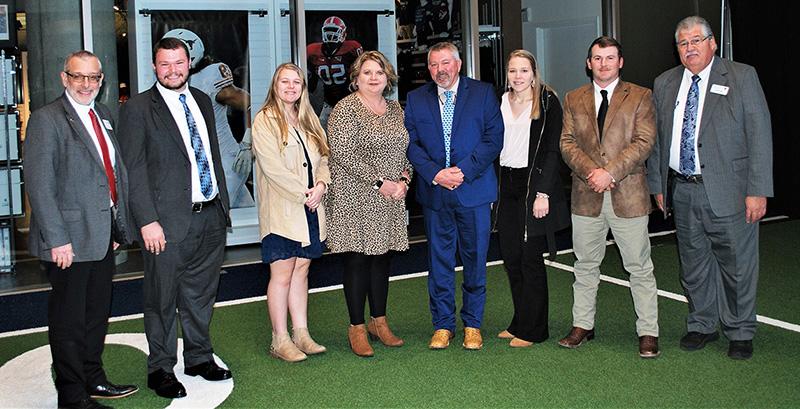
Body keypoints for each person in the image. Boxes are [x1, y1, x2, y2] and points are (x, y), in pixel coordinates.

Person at [647, 16, 773, 360]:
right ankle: (702, 324)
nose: (690, 49)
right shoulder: (665, 83)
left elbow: (760, 134)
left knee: (737, 265)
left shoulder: (741, 76)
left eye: (696, 41)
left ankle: (740, 330)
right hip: (682, 189)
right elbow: (658, 138)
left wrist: (758, 189)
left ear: (712, 43)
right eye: (683, 44)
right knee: (694, 264)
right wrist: (658, 185)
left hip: (731, 191)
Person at [117, 37, 232, 399]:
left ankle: (198, 357)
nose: (172, 70)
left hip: (209, 216)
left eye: (178, 63)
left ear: (189, 64)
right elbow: (132, 170)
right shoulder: (137, 108)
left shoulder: (199, 99)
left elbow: (209, 154)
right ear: (154, 66)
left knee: (200, 295)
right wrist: (146, 221)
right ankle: (161, 368)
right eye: (164, 64)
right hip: (164, 225)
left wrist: (221, 205)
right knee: (162, 299)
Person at [24, 50, 138, 409]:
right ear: (64, 78)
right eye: (79, 77)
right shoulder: (47, 120)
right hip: (68, 242)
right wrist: (57, 239)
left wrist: (118, 225)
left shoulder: (102, 114)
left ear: (101, 81)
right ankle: (72, 396)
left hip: (101, 235)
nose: (86, 84)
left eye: (93, 78)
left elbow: (112, 173)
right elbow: (40, 186)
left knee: (95, 316)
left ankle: (94, 379)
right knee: (69, 321)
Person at [559, 36, 660, 358]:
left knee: (639, 267)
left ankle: (648, 331)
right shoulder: (573, 98)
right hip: (586, 197)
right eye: (597, 58)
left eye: (610, 58)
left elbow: (644, 142)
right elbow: (567, 143)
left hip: (627, 195)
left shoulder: (641, 96)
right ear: (589, 63)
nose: (603, 64)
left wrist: (610, 173)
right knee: (585, 265)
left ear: (621, 61)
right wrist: (593, 172)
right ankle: (582, 326)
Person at [405, 41, 504, 350]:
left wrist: (463, 171)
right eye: (434, 65)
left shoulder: (484, 93)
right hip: (436, 195)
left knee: (475, 261)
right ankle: (443, 325)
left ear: (458, 65)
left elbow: (493, 138)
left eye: (446, 63)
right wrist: (436, 174)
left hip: (472, 192)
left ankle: (472, 324)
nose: (440, 70)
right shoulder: (415, 98)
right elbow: (411, 144)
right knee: (439, 263)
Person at [326, 51, 412, 357]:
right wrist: (381, 182)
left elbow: (404, 150)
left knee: (382, 260)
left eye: (379, 72)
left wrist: (404, 180)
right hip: (356, 196)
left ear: (388, 78)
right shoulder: (344, 109)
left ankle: (380, 322)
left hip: (389, 198)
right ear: (356, 78)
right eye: (367, 73)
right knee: (358, 260)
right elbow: (343, 154)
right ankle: (357, 327)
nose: (373, 77)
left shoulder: (395, 109)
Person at [251, 63, 330, 363]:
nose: (290, 87)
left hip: (309, 208)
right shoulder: (264, 121)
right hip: (284, 211)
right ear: (275, 85)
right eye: (284, 81)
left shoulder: (308, 119)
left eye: (296, 82)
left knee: (302, 270)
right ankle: (279, 339)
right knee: (282, 273)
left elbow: (324, 156)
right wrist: (304, 193)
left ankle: (302, 333)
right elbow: (272, 168)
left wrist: (321, 185)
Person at [494, 49, 569, 348]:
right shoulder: (501, 100)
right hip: (506, 183)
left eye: (524, 70)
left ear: (534, 73)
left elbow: (553, 150)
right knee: (511, 256)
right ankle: (519, 321)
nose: (518, 76)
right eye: (513, 70)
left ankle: (535, 329)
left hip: (532, 184)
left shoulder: (548, 102)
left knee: (530, 258)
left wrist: (543, 192)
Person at [163, 28, 256, 209]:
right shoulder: (175, 83)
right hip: (205, 163)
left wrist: (248, 142)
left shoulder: (210, 76)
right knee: (245, 212)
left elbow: (253, 103)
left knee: (215, 211)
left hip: (226, 162)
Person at [306, 15, 364, 129]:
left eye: (334, 30)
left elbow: (362, 71)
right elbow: (311, 79)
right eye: (328, 30)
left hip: (350, 101)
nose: (330, 34)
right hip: (329, 102)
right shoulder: (313, 52)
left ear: (343, 33)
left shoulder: (351, 49)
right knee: (321, 134)